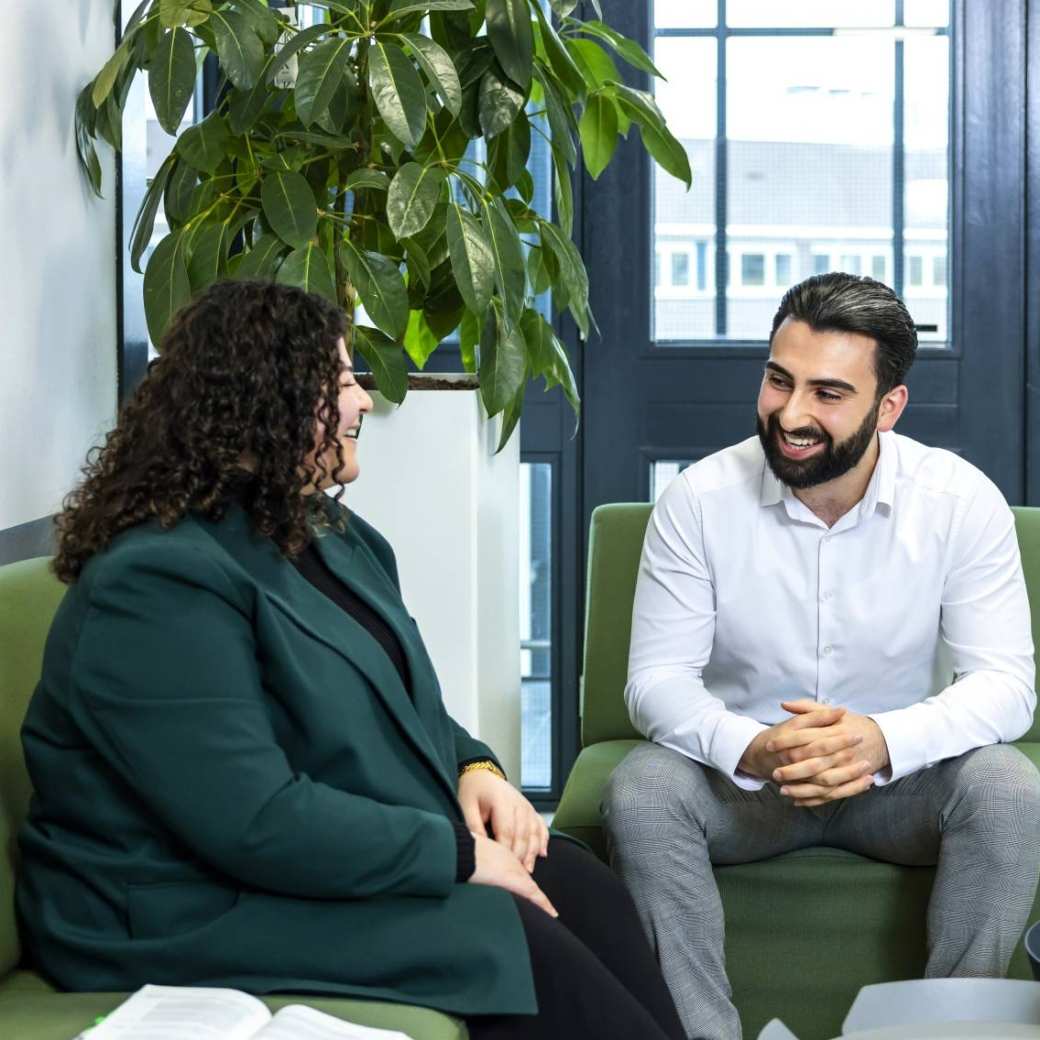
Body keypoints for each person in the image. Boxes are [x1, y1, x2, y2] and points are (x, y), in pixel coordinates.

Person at [17, 280, 685, 1040]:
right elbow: (252, 819)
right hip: (182, 903)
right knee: (503, 938)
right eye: (339, 384)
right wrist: (454, 855)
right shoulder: (156, 583)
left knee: (577, 882)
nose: (363, 403)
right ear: (265, 403)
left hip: (288, 866)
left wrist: (477, 772)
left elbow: (408, 709)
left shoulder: (327, 532)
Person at [602, 272, 1040, 1040]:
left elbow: (1006, 686)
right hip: (747, 784)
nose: (792, 413)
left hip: (899, 785)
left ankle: (947, 1033)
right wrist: (755, 747)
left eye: (829, 394)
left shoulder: (960, 501)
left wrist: (881, 740)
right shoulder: (698, 500)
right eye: (779, 380)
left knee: (1009, 789)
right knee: (641, 789)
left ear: (889, 407)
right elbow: (655, 683)